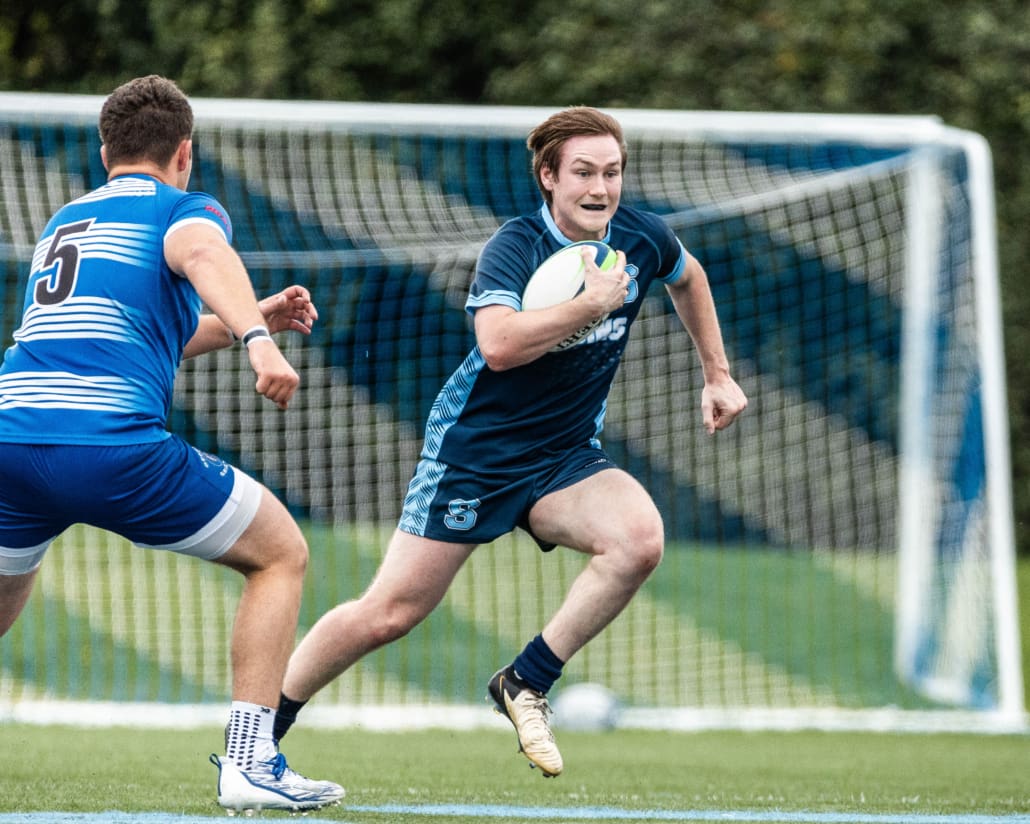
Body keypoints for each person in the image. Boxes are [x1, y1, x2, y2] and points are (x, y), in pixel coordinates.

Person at [273, 106, 748, 777]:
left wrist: (717, 375)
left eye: (612, 172)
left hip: (564, 457)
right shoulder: (517, 245)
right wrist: (589, 304)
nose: (600, 188)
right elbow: (497, 347)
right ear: (549, 177)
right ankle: (261, 730)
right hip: (477, 454)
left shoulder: (641, 237)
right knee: (389, 613)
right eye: (583, 172)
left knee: (638, 539)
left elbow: (688, 276)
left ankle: (525, 681)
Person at [0, 75, 344, 814]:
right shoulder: (183, 208)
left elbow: (153, 334)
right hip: (106, 446)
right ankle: (251, 761)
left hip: (10, 441)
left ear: (104, 153)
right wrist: (258, 340)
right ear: (183, 152)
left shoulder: (66, 222)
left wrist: (257, 315)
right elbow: (200, 252)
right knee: (280, 552)